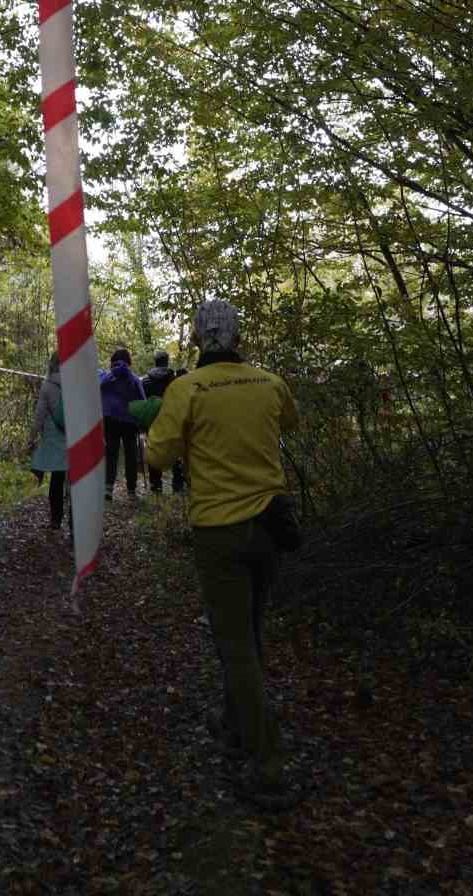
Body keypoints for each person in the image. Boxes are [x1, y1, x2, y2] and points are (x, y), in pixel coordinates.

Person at [146, 299, 299, 807]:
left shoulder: (186, 389)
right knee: (251, 634)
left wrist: (162, 422)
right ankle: (236, 725)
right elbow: (289, 424)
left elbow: (157, 456)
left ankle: (270, 764)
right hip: (270, 528)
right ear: (238, 338)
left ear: (195, 339)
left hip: (219, 531)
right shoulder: (270, 382)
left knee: (234, 646)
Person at [28, 353, 72, 533]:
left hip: (54, 437)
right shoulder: (75, 384)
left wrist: (32, 436)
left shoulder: (47, 386)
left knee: (57, 478)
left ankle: (55, 519)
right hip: (74, 436)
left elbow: (39, 415)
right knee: (75, 481)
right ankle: (75, 523)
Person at [99, 346, 146, 501]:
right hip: (129, 420)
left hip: (110, 418)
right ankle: (131, 491)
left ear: (113, 361)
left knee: (111, 453)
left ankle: (107, 489)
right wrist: (142, 420)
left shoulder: (106, 376)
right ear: (128, 361)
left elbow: (97, 389)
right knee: (130, 454)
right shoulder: (133, 378)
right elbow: (142, 399)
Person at [141, 349, 185, 496]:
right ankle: (178, 485)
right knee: (176, 449)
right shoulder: (175, 379)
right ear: (167, 361)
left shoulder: (145, 380)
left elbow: (143, 401)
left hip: (153, 420)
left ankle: (156, 487)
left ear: (155, 361)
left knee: (154, 449)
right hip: (172, 418)